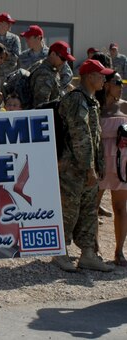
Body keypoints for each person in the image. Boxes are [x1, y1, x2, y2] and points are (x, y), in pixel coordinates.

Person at [53, 59, 115, 273]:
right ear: (89, 77)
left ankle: (88, 253)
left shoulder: (91, 101)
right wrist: (89, 168)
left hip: (87, 168)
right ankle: (61, 252)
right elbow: (81, 137)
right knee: (68, 211)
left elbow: (94, 137)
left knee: (88, 212)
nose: (104, 79)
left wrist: (97, 166)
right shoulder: (77, 100)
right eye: (100, 75)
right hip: (73, 168)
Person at [96, 70, 127, 266]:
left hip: (121, 163)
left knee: (120, 208)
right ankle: (94, 249)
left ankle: (119, 251)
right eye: (118, 82)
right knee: (92, 209)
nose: (121, 86)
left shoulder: (125, 106)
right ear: (107, 84)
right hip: (99, 162)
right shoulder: (96, 107)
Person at [30, 41, 75, 108]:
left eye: (66, 60)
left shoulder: (49, 68)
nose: (64, 62)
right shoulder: (45, 75)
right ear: (53, 54)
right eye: (63, 58)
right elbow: (41, 106)